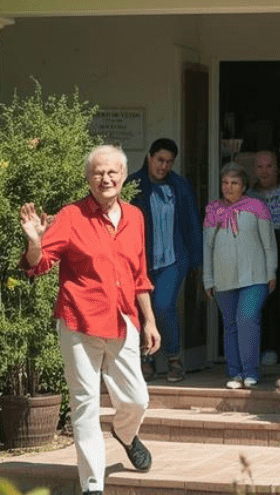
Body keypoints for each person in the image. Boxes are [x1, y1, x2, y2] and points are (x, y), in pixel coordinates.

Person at [19, 145, 158, 495]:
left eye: (112, 172)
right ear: (88, 178)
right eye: (98, 173)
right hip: (78, 321)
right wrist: (35, 242)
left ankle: (125, 433)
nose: (105, 178)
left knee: (137, 399)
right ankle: (92, 486)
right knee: (85, 404)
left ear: (124, 176)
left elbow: (138, 275)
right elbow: (39, 264)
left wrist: (150, 321)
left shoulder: (135, 217)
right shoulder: (71, 216)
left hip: (123, 318)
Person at [127, 138, 202, 383]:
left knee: (162, 305)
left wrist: (196, 261)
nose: (164, 166)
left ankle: (173, 358)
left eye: (169, 162)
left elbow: (192, 224)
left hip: (173, 258)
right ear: (149, 157)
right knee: (140, 308)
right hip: (142, 260)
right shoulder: (133, 184)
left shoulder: (179, 185)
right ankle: (146, 358)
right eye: (160, 160)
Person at [203, 163, 277, 389]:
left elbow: (269, 244)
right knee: (230, 324)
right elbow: (207, 247)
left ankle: (250, 372)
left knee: (247, 319)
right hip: (223, 278)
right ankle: (235, 373)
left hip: (255, 276)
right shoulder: (213, 210)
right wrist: (208, 278)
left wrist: (271, 272)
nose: (228, 187)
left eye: (234, 183)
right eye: (225, 182)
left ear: (244, 185)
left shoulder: (257, 207)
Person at [248, 149, 280, 364]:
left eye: (269, 166)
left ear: (278, 168)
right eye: (260, 167)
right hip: (257, 249)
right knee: (263, 300)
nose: (264, 171)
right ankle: (266, 348)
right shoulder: (247, 195)